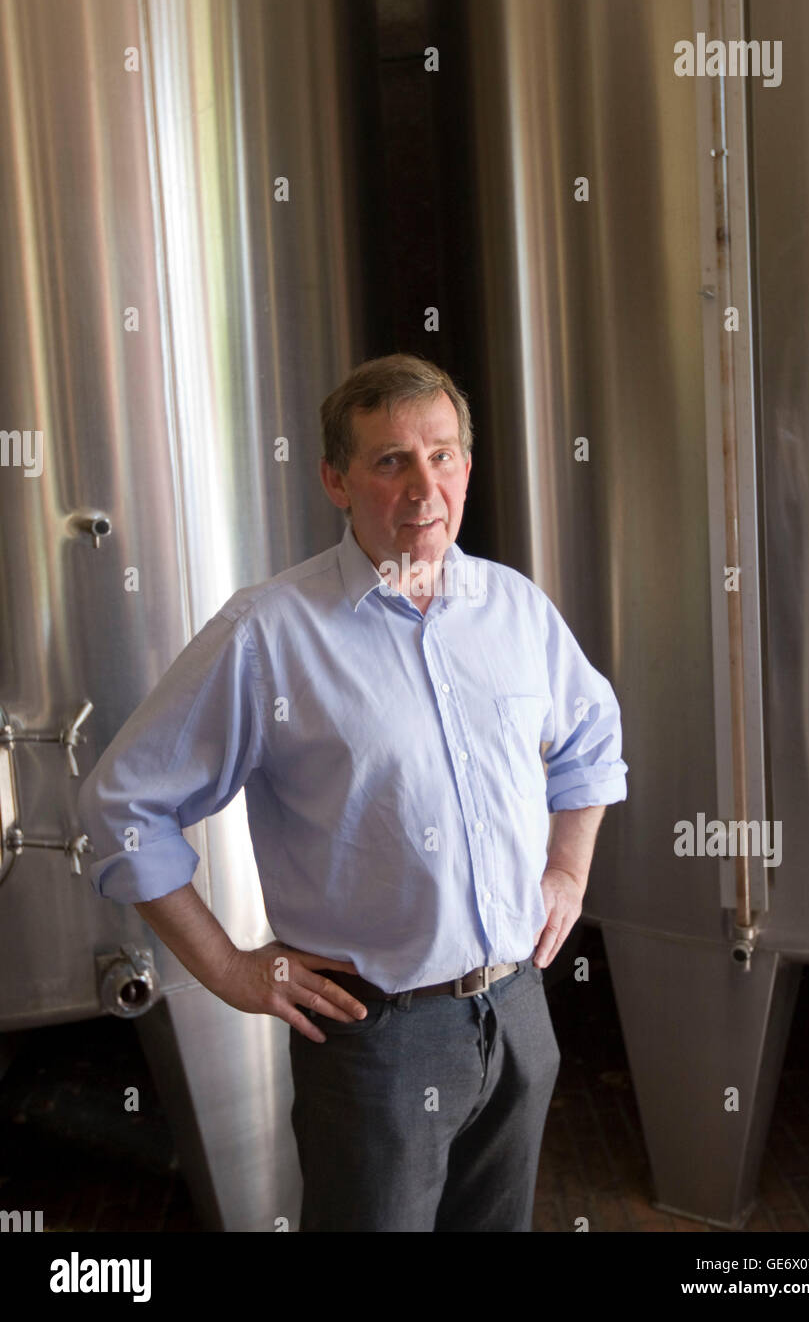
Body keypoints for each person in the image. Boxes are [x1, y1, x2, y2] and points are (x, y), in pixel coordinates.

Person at [77, 352, 628, 1232]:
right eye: (390, 461)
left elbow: (593, 737)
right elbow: (121, 808)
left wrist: (567, 871)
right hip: (379, 1041)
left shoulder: (514, 610)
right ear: (336, 479)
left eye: (442, 455)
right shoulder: (270, 632)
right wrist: (227, 968)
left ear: (467, 469)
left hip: (518, 1011)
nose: (423, 485)